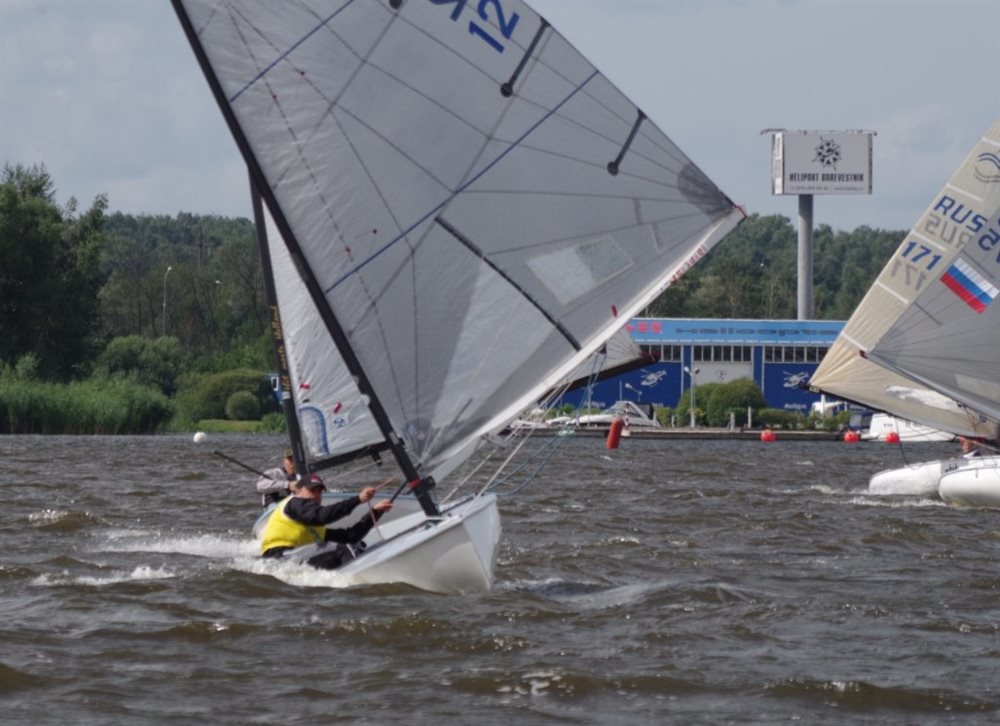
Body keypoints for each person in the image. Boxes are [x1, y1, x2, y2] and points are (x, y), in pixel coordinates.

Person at [260, 473, 393, 570]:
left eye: (319, 492)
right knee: (344, 549)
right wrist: (358, 499)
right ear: (298, 491)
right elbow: (321, 516)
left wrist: (376, 512)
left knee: (353, 545)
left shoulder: (315, 527)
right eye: (312, 490)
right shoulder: (294, 503)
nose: (317, 496)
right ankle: (363, 580)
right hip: (279, 558)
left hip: (293, 560)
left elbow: (351, 537)